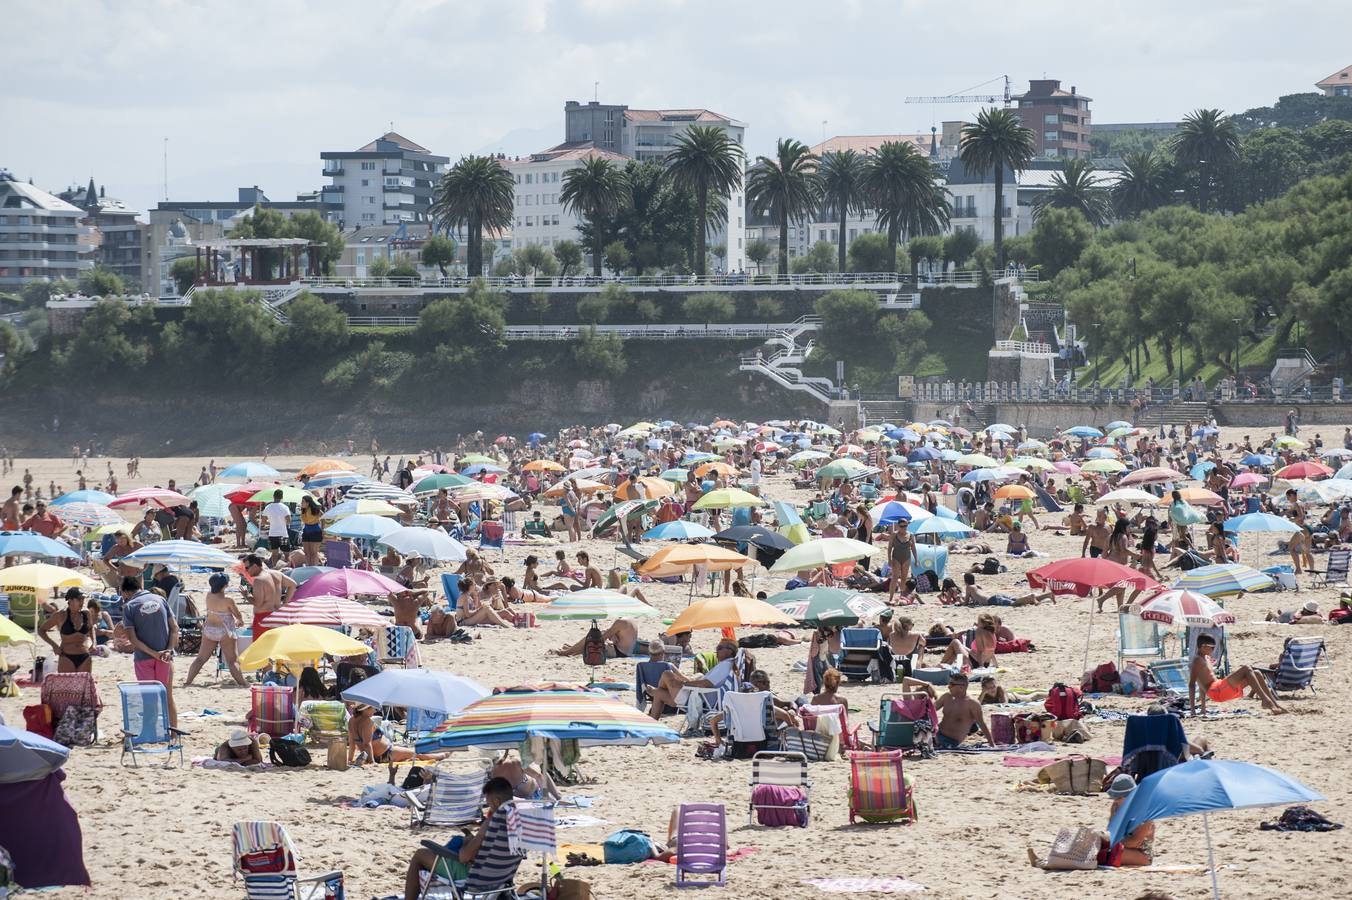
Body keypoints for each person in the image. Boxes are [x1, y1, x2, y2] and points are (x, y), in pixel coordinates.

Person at [401, 777, 520, 900]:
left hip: (476, 878)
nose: (489, 808)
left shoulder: (491, 823)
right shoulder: (518, 821)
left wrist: (467, 842)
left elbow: (464, 857)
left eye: (489, 804)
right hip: (503, 877)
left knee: (420, 855)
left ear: (496, 801)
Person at [121, 575, 180, 728]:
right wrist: (168, 650)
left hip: (143, 659)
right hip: (166, 658)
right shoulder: (160, 600)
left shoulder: (130, 606)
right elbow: (175, 628)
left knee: (149, 699)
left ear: (126, 592)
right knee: (168, 697)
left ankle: (150, 733)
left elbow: (133, 640)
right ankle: (174, 733)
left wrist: (154, 653)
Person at [1188, 633, 1285, 715]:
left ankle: (1274, 704)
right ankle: (1266, 701)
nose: (1213, 650)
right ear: (1203, 646)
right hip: (1216, 691)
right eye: (1211, 647)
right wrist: (1193, 710)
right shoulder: (1197, 660)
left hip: (1220, 689)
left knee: (1257, 673)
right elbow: (1192, 684)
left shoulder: (1205, 658)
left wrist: (1203, 709)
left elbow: (1201, 682)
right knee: (1246, 668)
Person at [646, 638, 739, 719]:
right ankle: (653, 724)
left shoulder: (726, 665)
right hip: (697, 696)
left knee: (667, 674)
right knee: (659, 693)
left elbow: (706, 683)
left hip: (698, 701)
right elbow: (706, 683)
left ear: (730, 651)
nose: (716, 651)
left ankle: (653, 693)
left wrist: (683, 684)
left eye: (719, 648)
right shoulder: (727, 665)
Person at [183, 573, 247, 686]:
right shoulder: (228, 600)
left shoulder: (208, 595)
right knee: (232, 661)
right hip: (224, 630)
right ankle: (243, 683)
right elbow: (237, 615)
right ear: (225, 585)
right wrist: (240, 621)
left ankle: (188, 681)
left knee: (201, 659)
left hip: (209, 629)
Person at [38, 587, 95, 673]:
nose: (82, 602)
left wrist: (94, 642)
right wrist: (54, 646)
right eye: (79, 599)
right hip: (66, 657)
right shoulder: (60, 615)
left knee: (84, 685)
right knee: (67, 685)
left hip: (85, 656)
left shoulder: (86, 613)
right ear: (70, 600)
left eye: (83, 599)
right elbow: (41, 630)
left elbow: (91, 627)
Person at [933, 672, 993, 749]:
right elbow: (930, 710)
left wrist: (992, 744)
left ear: (962, 687)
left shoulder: (972, 703)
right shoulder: (947, 697)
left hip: (950, 741)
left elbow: (982, 724)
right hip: (936, 734)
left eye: (952, 684)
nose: (948, 687)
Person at [243, 554, 296, 641]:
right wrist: (285, 603)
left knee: (260, 649)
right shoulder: (277, 574)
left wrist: (247, 595)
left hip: (263, 618)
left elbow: (258, 603)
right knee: (276, 647)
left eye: (247, 568)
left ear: (255, 566)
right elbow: (293, 584)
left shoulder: (259, 580)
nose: (246, 571)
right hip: (278, 615)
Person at [1106, 774, 1155, 866]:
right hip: (1121, 847)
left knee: (1108, 855)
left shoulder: (1144, 812)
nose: (1116, 801)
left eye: (1119, 797)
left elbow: (1135, 842)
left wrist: (1113, 842)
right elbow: (1111, 830)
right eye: (1115, 797)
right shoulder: (1116, 807)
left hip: (1142, 854)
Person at [553, 616, 639, 658]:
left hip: (619, 653)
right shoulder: (631, 620)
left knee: (593, 637)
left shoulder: (620, 621)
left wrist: (608, 637)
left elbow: (602, 638)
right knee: (600, 634)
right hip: (625, 652)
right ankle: (572, 649)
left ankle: (567, 652)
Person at [886, 519, 915, 604]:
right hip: (896, 557)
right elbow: (890, 547)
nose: (903, 528)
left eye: (905, 526)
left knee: (904, 578)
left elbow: (913, 548)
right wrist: (889, 559)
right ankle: (891, 597)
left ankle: (901, 596)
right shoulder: (894, 535)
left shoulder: (910, 535)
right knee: (894, 578)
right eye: (901, 526)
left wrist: (916, 559)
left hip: (907, 558)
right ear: (898, 526)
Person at [261, 489, 291, 564]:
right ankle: (287, 567)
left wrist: (271, 523)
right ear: (282, 497)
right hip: (283, 534)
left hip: (273, 534)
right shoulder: (284, 507)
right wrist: (282, 522)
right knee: (287, 554)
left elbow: (263, 521)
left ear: (273, 496)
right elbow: (289, 520)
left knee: (274, 554)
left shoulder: (268, 507)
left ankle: (275, 567)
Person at [298, 496, 324, 566]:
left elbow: (323, 517)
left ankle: (313, 568)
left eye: (303, 501)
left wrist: (323, 529)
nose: (301, 503)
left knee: (314, 553)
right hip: (306, 531)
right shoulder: (303, 510)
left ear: (308, 503)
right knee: (306, 552)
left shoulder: (315, 509)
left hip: (315, 531)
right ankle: (308, 567)